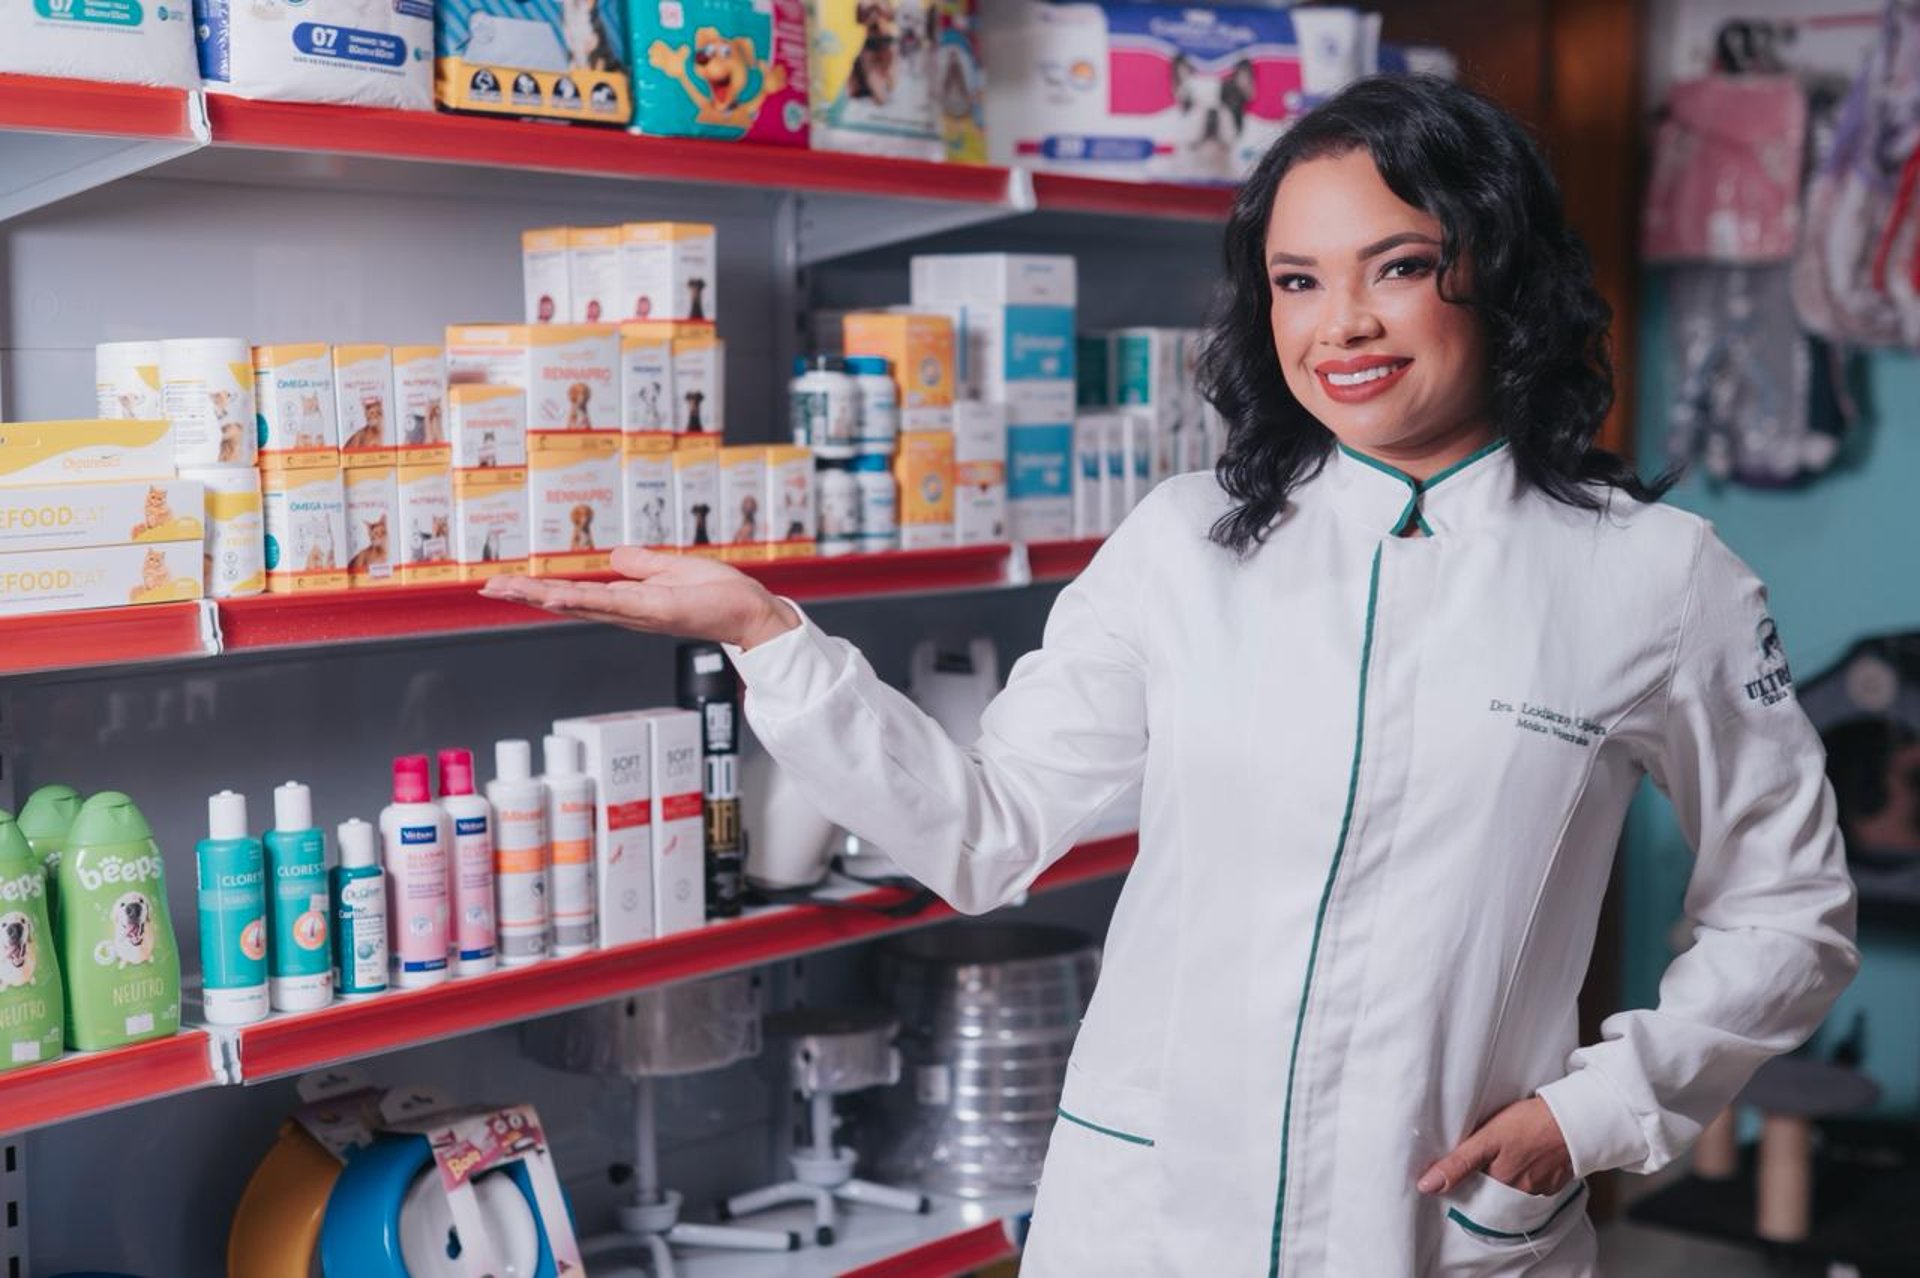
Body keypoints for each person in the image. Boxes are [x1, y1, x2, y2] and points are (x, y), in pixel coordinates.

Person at [483, 76, 1858, 1277]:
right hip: (1147, 1217)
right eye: (1299, 280)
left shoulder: (1653, 578)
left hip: (1435, 1223)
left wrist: (1600, 1109)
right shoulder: (1184, 544)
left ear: (1497, 269)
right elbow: (984, 831)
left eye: (1397, 265)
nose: (1343, 325)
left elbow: (1788, 913)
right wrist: (767, 633)